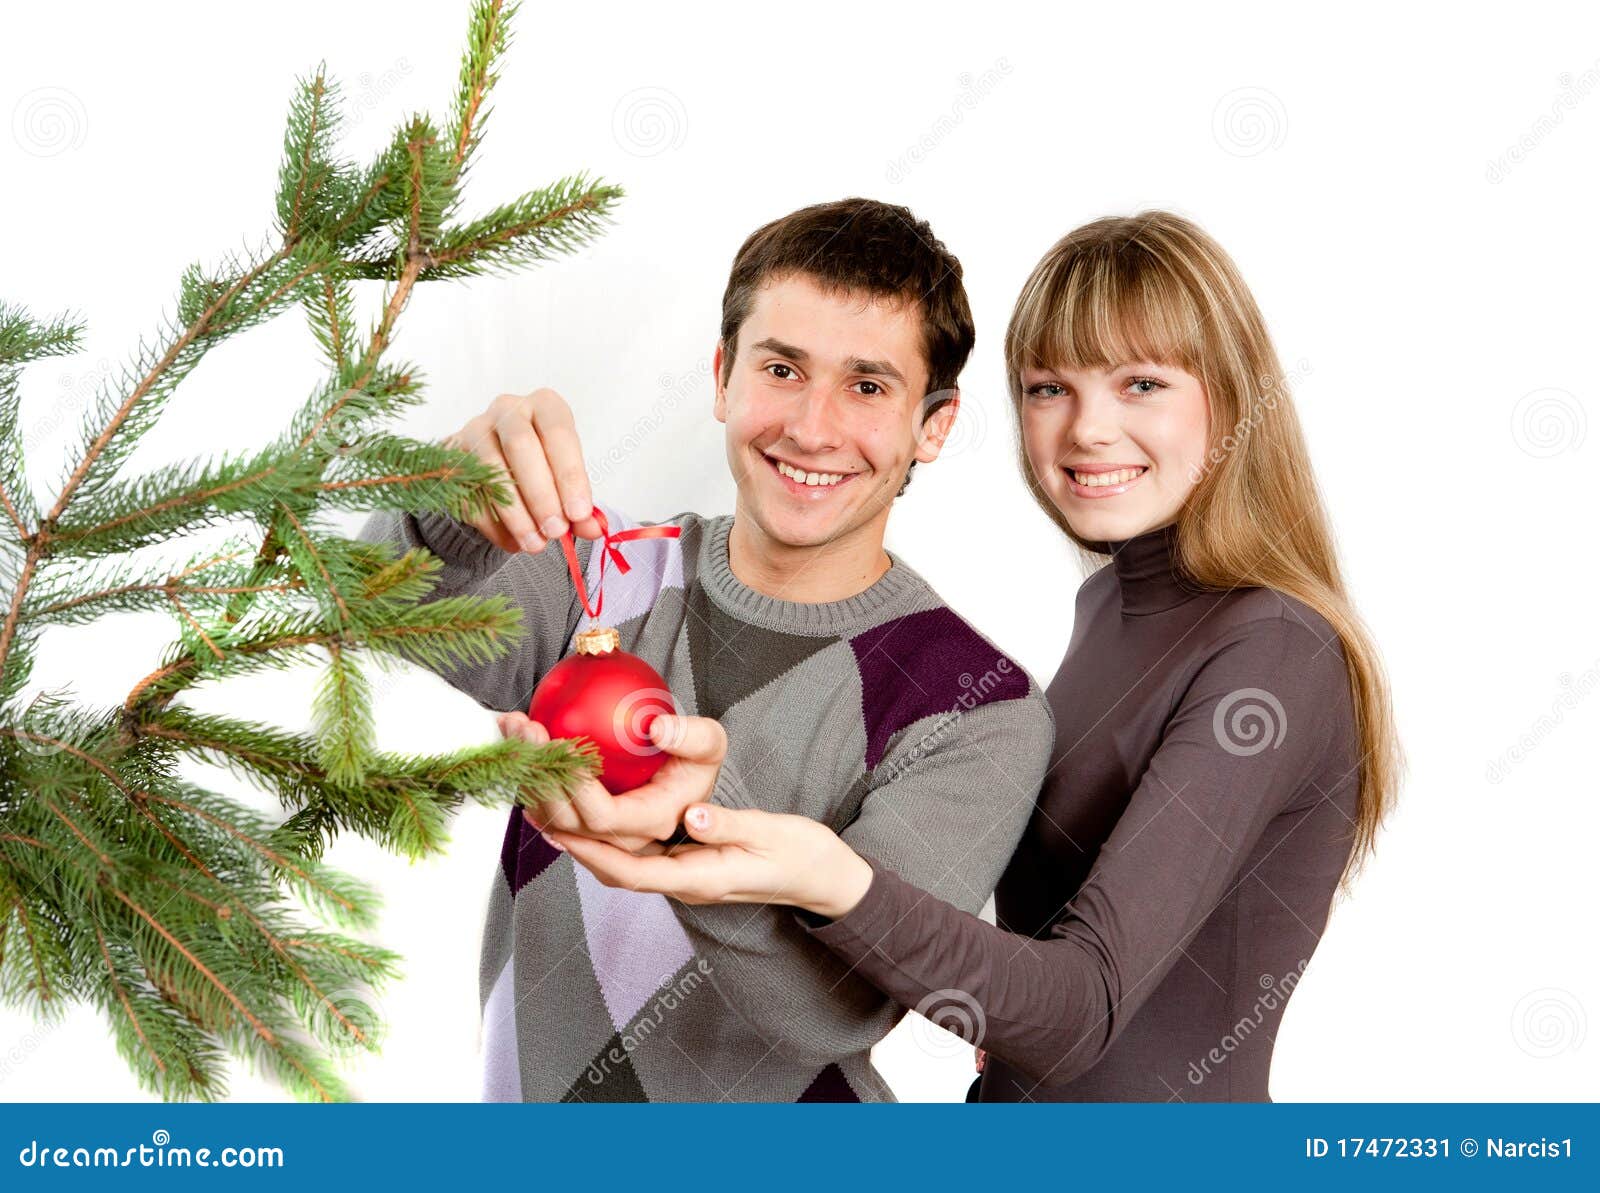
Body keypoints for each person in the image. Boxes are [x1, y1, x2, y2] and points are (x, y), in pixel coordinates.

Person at [544, 211, 1404, 1102]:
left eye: (1142, 384)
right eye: (1050, 388)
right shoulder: (1109, 608)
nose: (1088, 429)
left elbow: (1082, 1011)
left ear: (1231, 397)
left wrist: (834, 879)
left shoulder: (1274, 649)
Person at [357, 197, 1056, 1102]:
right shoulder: (597, 578)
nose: (812, 426)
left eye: (868, 387)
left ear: (935, 423)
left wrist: (682, 822)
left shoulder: (980, 706)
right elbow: (371, 601)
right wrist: (448, 505)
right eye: (782, 368)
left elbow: (838, 1007)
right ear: (723, 376)